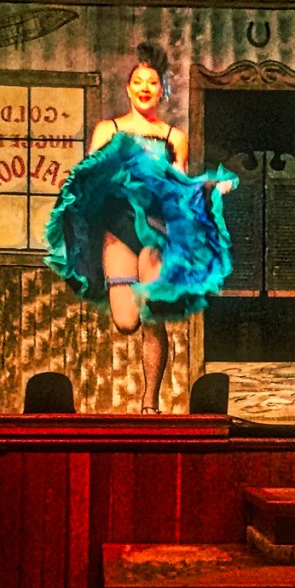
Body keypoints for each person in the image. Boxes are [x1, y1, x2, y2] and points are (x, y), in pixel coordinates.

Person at [44, 42, 235, 414]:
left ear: (162, 90)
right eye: (139, 82)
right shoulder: (109, 129)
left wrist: (207, 189)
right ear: (128, 89)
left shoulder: (173, 137)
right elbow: (89, 176)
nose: (146, 88)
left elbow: (178, 187)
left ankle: (150, 404)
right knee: (126, 321)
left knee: (151, 315)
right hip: (117, 230)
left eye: (153, 82)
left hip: (155, 231)